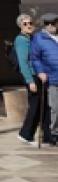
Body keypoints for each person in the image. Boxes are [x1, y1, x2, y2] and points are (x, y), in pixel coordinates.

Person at [17, 13, 55, 145]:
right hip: (33, 76)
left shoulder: (33, 38)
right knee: (35, 107)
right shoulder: (21, 40)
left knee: (44, 106)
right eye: (25, 24)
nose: (29, 26)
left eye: (30, 23)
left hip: (40, 75)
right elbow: (23, 62)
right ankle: (25, 134)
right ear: (21, 26)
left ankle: (48, 135)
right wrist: (30, 81)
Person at [30, 13, 58, 148]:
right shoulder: (39, 38)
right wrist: (40, 72)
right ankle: (54, 134)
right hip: (53, 79)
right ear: (50, 24)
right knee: (55, 108)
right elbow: (35, 58)